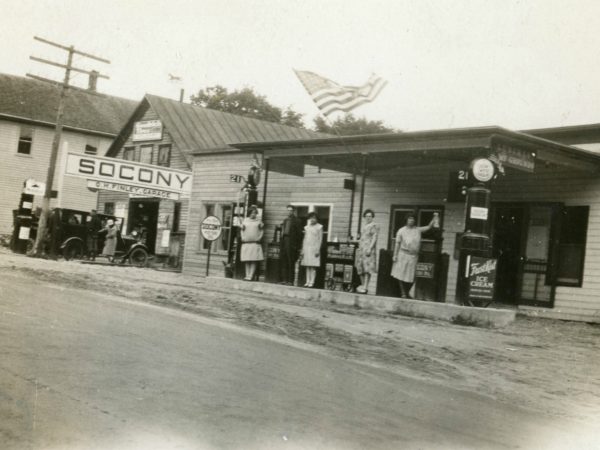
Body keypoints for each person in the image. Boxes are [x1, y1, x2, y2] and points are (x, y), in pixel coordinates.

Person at [391, 215, 433, 298]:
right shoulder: (401, 231)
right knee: (400, 274)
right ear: (406, 220)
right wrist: (395, 255)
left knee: (412, 275)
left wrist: (434, 218)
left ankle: (407, 291)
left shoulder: (417, 230)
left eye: (413, 219)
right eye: (409, 218)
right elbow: (397, 243)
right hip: (403, 254)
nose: (411, 220)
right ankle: (403, 292)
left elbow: (429, 227)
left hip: (413, 256)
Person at [355, 209, 379, 294]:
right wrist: (357, 241)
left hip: (368, 250)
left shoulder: (374, 225)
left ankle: (365, 287)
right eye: (367, 216)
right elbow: (363, 238)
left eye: (370, 216)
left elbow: (374, 237)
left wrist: (370, 248)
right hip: (362, 249)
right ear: (364, 217)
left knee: (367, 269)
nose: (368, 217)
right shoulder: (365, 226)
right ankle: (363, 286)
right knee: (360, 268)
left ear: (372, 217)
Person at [280, 205, 302, 285]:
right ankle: (284, 279)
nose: (289, 212)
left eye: (290, 210)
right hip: (285, 240)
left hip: (292, 242)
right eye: (288, 210)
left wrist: (298, 246)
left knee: (291, 261)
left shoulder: (297, 221)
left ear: (293, 211)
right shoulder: (285, 220)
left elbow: (299, 235)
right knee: (284, 260)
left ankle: (290, 281)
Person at [240, 205, 264, 281]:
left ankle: (251, 275)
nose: (253, 214)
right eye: (252, 213)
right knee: (247, 260)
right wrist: (243, 237)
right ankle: (247, 275)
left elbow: (262, 231)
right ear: (249, 213)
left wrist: (259, 238)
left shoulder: (259, 221)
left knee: (253, 260)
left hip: (254, 243)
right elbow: (242, 231)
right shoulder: (245, 221)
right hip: (246, 243)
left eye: (254, 213)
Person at [300, 212, 323, 288]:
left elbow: (320, 239)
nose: (312, 219)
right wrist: (303, 250)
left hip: (314, 248)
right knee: (307, 265)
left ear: (316, 219)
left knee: (313, 266)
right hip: (307, 248)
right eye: (311, 218)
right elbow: (304, 239)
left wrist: (317, 250)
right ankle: (307, 281)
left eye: (314, 218)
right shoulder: (307, 227)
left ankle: (312, 282)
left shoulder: (319, 227)